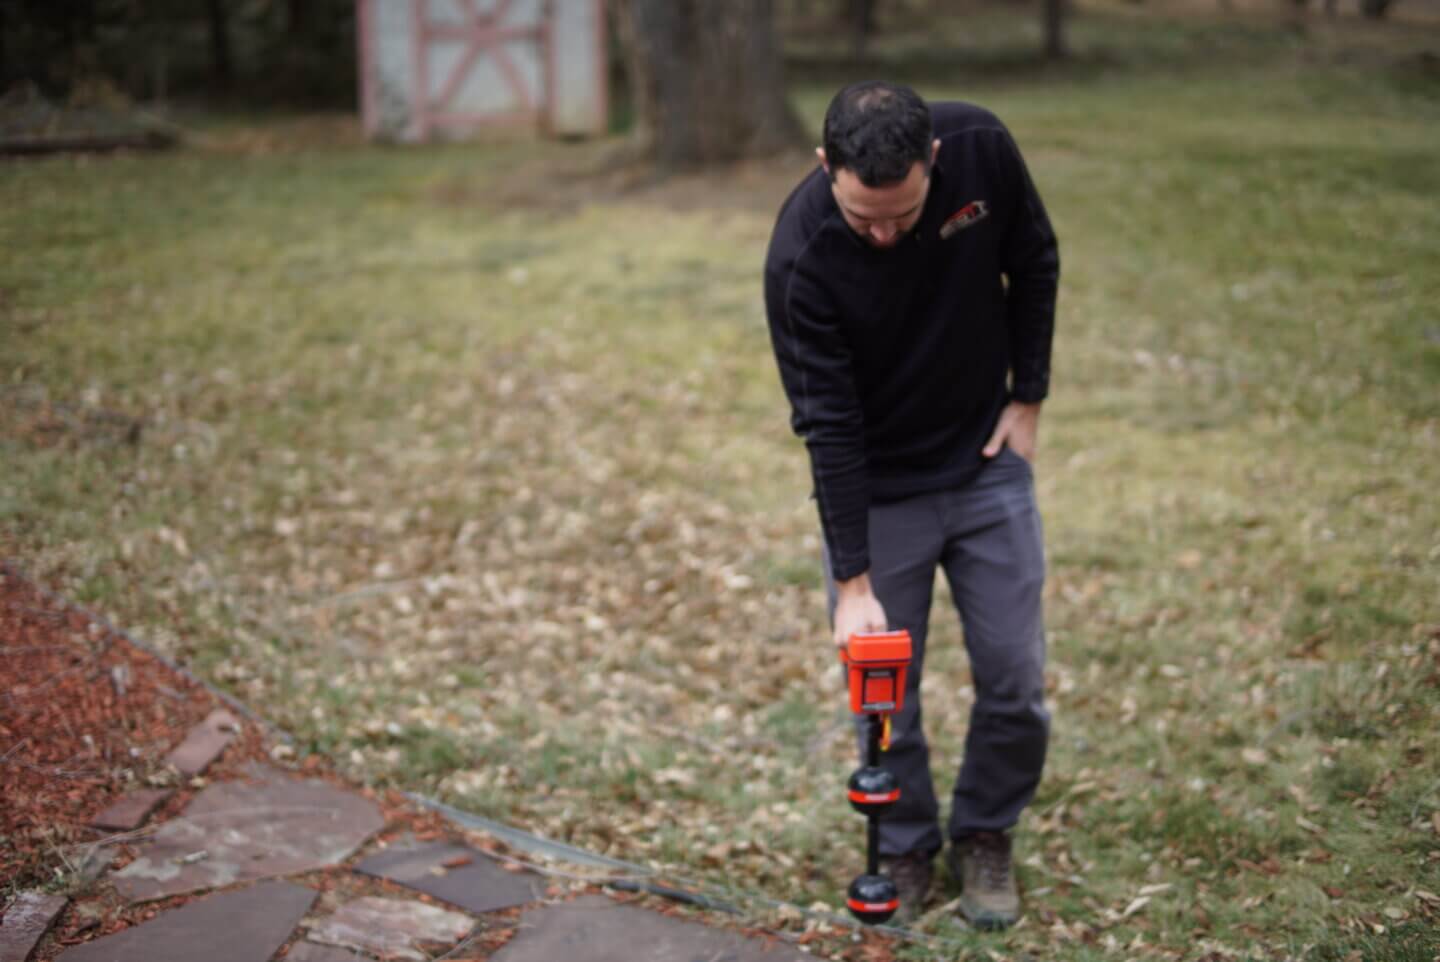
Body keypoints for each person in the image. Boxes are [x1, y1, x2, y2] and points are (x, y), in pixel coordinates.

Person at [762, 81, 1059, 929]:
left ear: (934, 161)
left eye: (903, 214)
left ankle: (987, 833)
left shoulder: (982, 151)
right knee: (882, 696)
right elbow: (829, 426)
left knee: (1014, 680)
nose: (885, 235)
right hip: (882, 490)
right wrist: (852, 581)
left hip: (984, 466)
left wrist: (1028, 395)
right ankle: (904, 842)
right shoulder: (802, 255)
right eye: (865, 219)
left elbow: (1033, 257)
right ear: (827, 168)